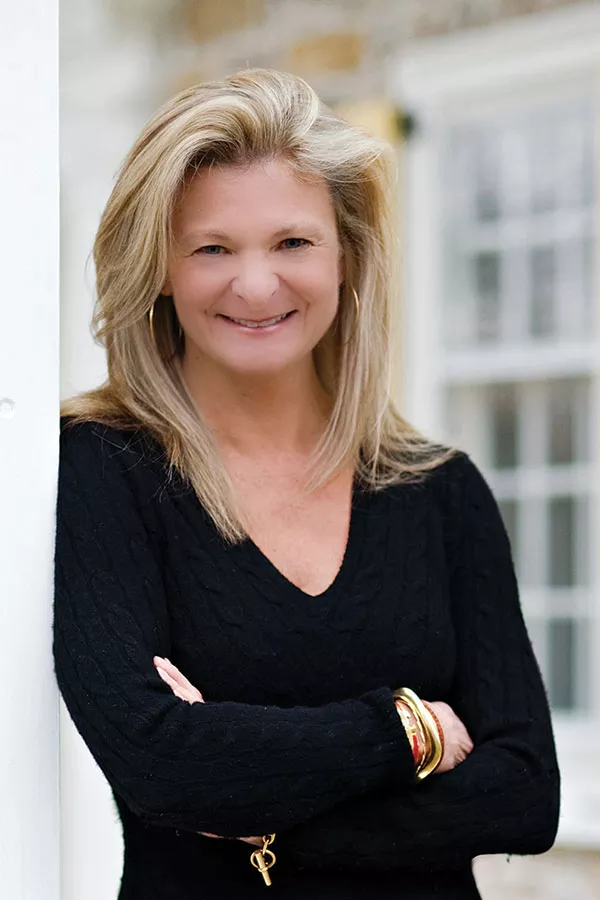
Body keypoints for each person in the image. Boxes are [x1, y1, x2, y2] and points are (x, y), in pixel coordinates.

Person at [53, 68, 560, 900]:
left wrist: (259, 817)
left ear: (347, 255)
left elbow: (525, 793)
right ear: (160, 268)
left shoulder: (440, 490)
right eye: (213, 248)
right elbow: (159, 761)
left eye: (293, 243)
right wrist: (407, 731)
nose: (256, 286)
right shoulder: (107, 466)